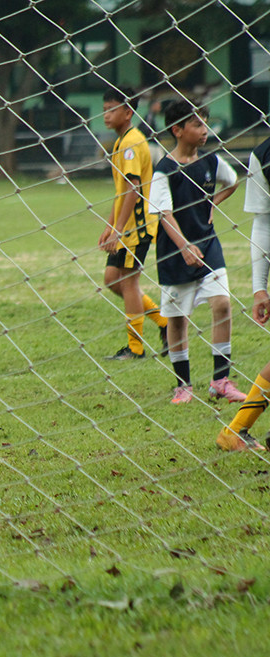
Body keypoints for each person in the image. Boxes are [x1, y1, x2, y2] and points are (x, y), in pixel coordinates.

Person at [149, 99, 242, 405]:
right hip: (174, 253)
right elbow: (164, 214)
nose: (205, 130)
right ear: (177, 130)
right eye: (197, 124)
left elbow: (232, 181)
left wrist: (214, 203)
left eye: (205, 123)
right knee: (177, 319)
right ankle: (183, 385)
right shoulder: (164, 170)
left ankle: (220, 380)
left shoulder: (212, 162)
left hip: (208, 244)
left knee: (222, 304)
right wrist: (184, 246)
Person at [99, 86, 169, 361]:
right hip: (125, 226)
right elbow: (121, 191)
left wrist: (119, 229)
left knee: (128, 282)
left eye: (112, 110)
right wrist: (110, 224)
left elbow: (133, 189)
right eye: (104, 110)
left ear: (128, 112)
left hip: (137, 227)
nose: (106, 115)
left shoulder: (130, 143)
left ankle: (135, 348)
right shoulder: (122, 140)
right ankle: (164, 322)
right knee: (111, 279)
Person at [215, 136, 270, 451]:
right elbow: (264, 222)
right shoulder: (263, 154)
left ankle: (236, 430)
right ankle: (235, 431)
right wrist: (259, 287)